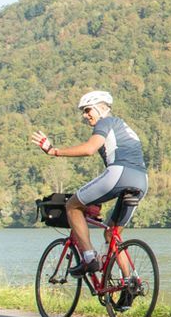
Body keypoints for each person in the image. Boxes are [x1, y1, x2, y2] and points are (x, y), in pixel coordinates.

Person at [31, 90, 149, 287]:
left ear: (101, 108)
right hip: (142, 180)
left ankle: (88, 258)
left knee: (72, 205)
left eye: (87, 110)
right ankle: (130, 284)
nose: (85, 116)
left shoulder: (105, 122)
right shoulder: (124, 126)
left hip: (119, 173)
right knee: (112, 233)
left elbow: (89, 149)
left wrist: (54, 151)